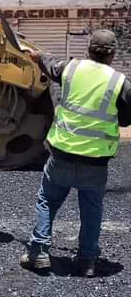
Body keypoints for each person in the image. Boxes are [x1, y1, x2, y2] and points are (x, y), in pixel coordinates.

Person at [20, 29, 131, 278]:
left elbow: (48, 63)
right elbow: (125, 118)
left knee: (47, 201)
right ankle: (87, 261)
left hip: (62, 156)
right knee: (91, 210)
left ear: (88, 50)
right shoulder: (119, 82)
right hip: (95, 162)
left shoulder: (72, 68)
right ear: (112, 55)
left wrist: (34, 54)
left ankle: (39, 253)